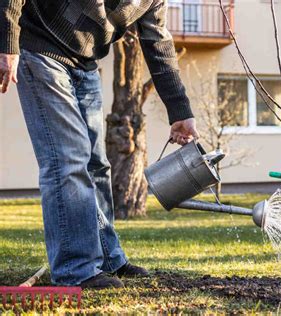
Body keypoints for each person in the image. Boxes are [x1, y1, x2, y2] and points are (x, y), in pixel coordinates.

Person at [0, 0, 199, 289]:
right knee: (67, 160)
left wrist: (180, 111)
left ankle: (108, 258)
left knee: (96, 166)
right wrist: (7, 41)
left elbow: (158, 42)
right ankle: (75, 269)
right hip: (40, 46)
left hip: (86, 63)